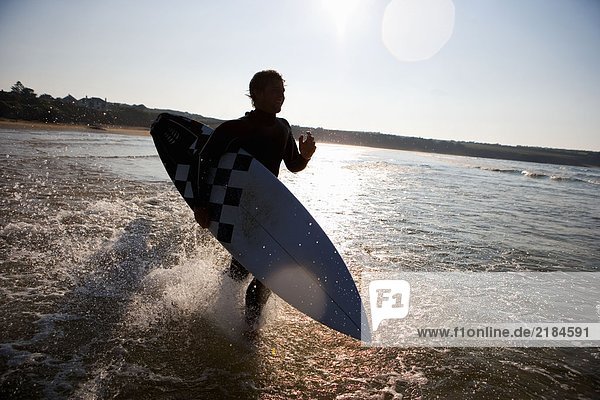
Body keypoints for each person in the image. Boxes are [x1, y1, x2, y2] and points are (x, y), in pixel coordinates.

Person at [193, 70, 316, 329]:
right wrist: (201, 205)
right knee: (243, 273)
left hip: (269, 214)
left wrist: (304, 156)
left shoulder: (282, 128)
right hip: (241, 213)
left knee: (263, 278)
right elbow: (204, 162)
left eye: (283, 92)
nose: (281, 97)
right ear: (256, 93)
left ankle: (244, 330)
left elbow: (292, 165)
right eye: (275, 91)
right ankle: (237, 328)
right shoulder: (235, 128)